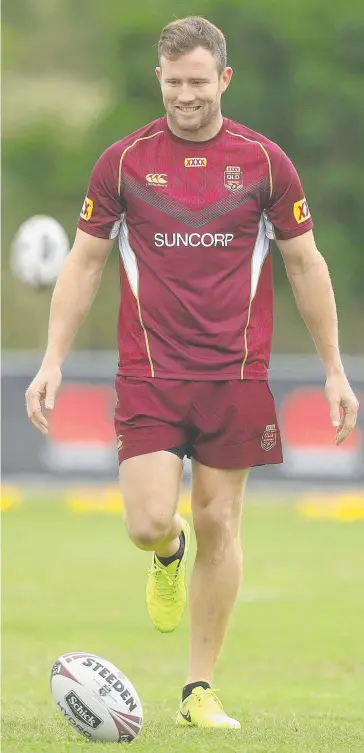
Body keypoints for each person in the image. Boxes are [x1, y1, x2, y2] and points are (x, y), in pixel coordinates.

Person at [25, 16, 358, 730]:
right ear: (160, 80)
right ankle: (167, 554)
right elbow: (84, 262)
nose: (185, 96)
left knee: (221, 520)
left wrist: (334, 369)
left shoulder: (266, 164)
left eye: (198, 82)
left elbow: (306, 264)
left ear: (223, 80)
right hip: (150, 371)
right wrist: (52, 360)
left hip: (237, 376)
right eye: (173, 82)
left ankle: (198, 689)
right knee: (150, 521)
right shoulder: (122, 162)